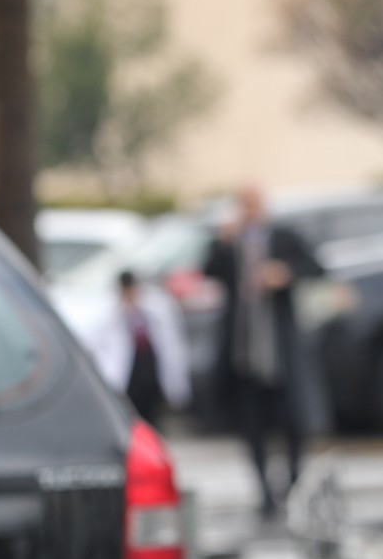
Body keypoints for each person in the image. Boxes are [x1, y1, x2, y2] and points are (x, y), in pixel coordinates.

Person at [203, 182, 325, 517]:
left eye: (254, 203)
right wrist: (221, 241)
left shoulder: (283, 238)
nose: (250, 211)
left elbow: (317, 267)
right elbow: (207, 270)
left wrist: (285, 273)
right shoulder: (231, 242)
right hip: (244, 353)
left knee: (292, 420)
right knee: (252, 426)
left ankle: (294, 482)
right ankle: (264, 493)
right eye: (244, 204)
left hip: (279, 352)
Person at [89, 269, 191, 432]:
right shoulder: (111, 313)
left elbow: (170, 338)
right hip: (131, 371)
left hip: (150, 364)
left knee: (152, 407)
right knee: (134, 410)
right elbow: (101, 344)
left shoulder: (155, 306)